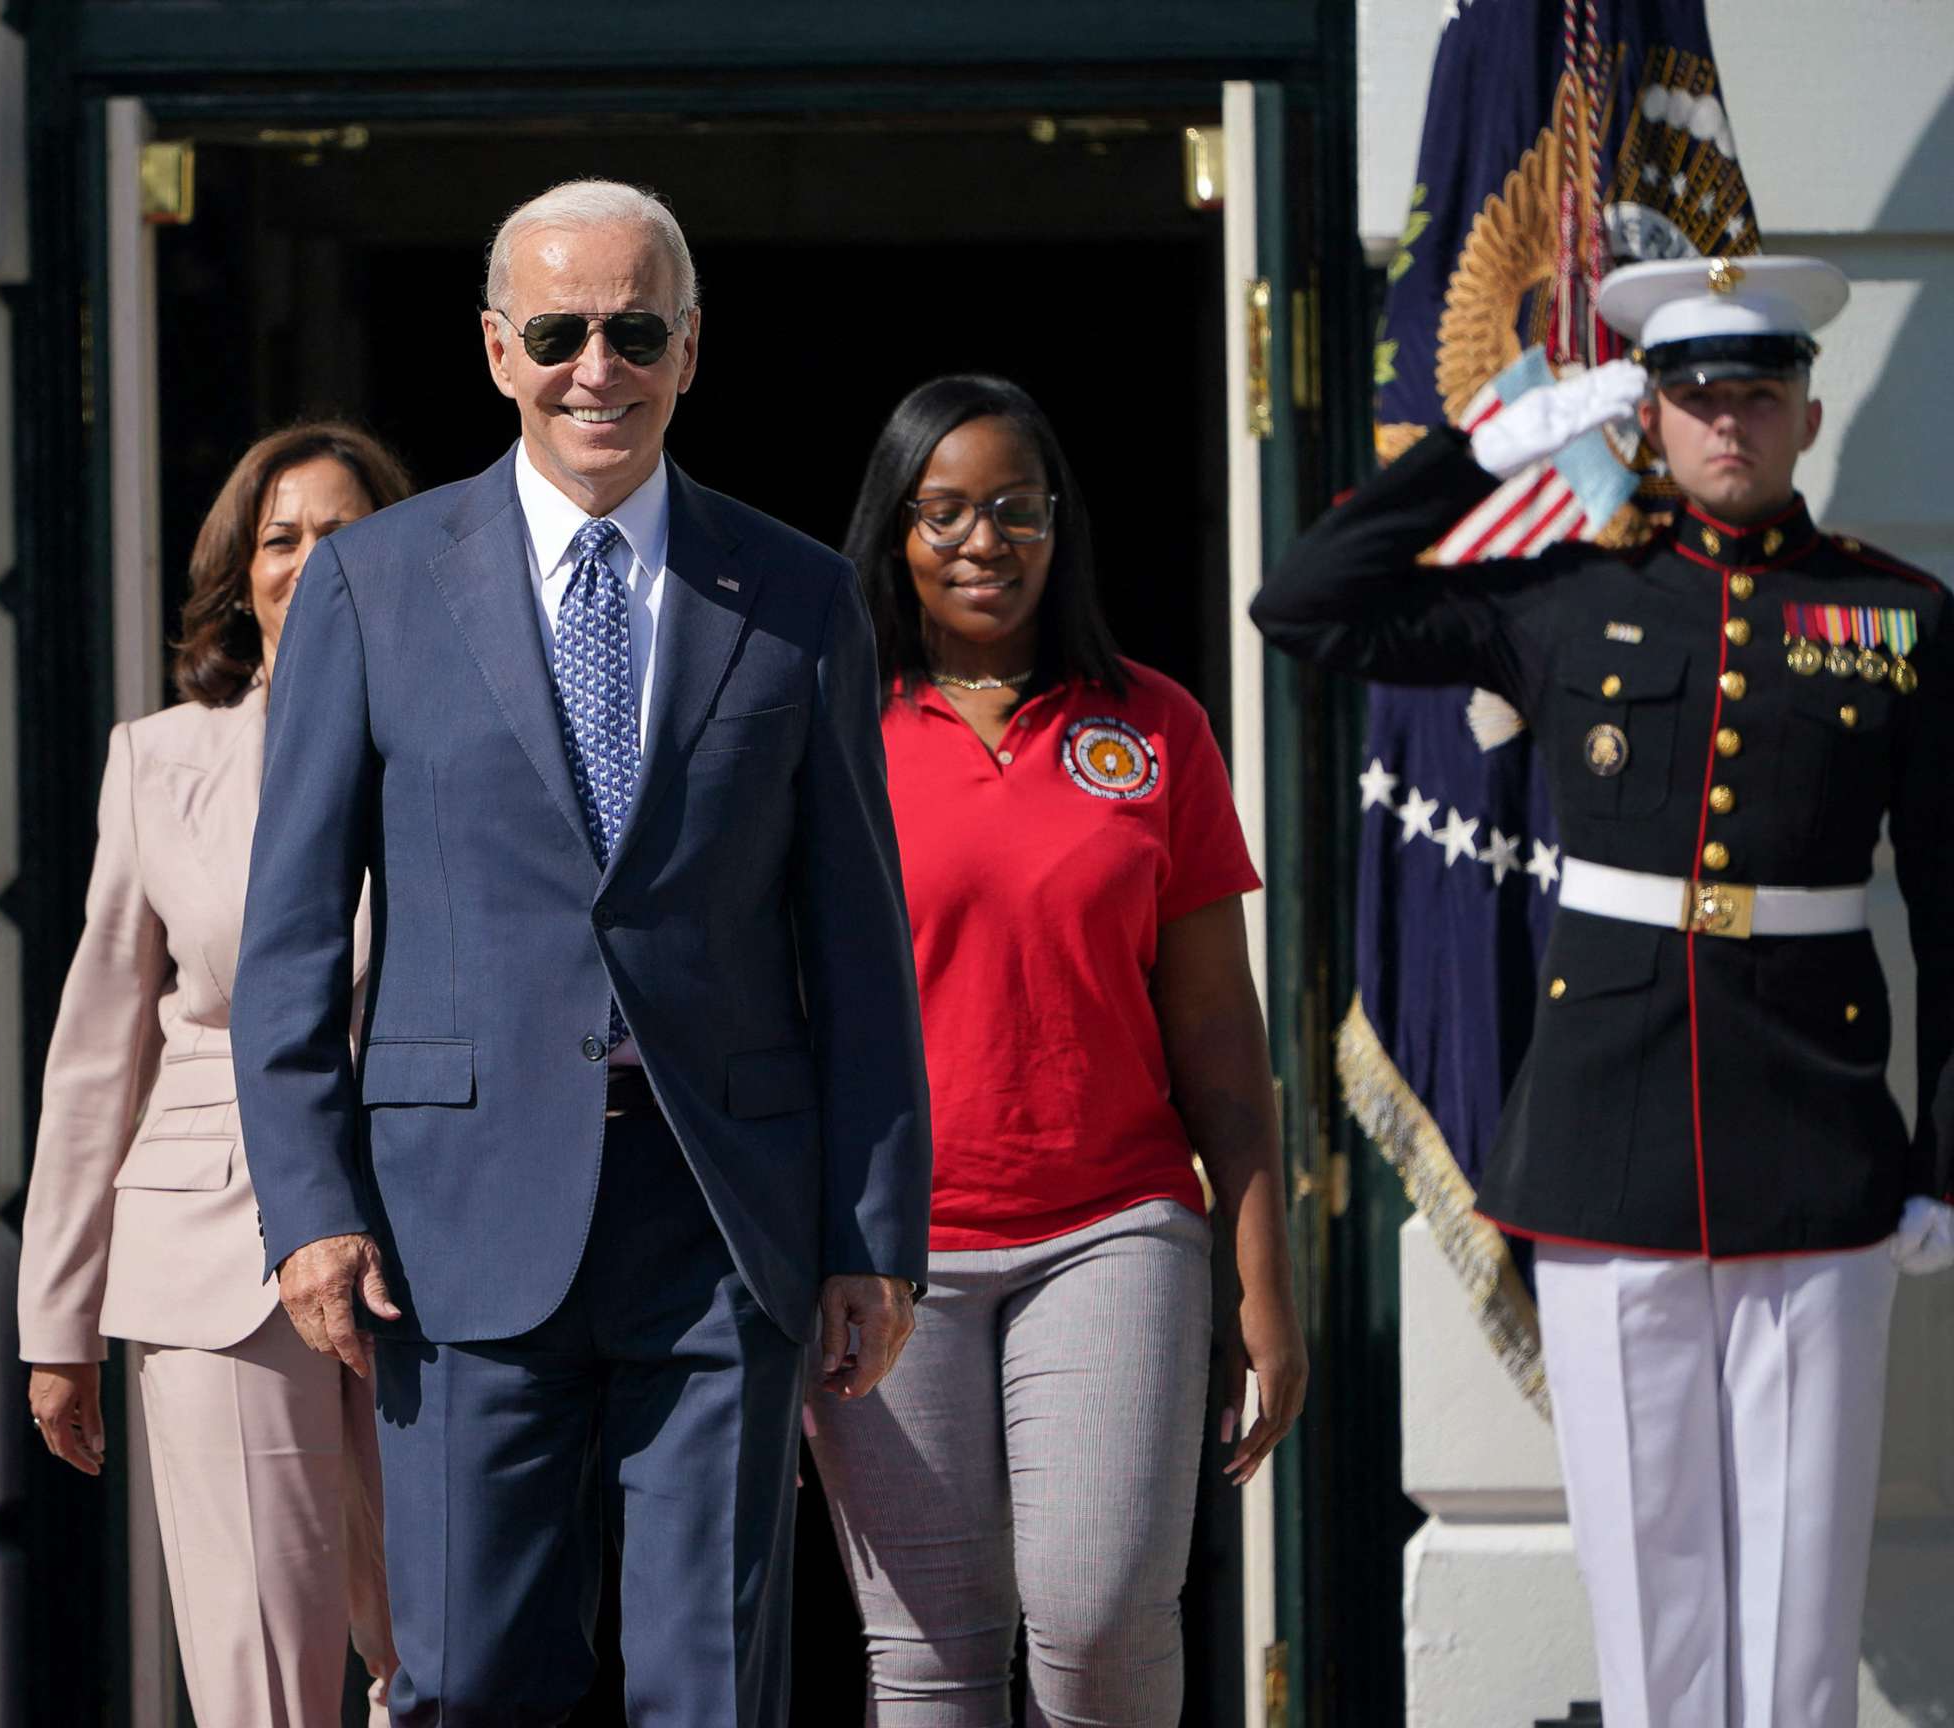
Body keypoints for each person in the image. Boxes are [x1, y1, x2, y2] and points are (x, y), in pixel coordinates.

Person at [229, 178, 933, 1727]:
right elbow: (286, 938)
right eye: (558, 331)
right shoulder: (373, 582)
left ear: (692, 349)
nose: (594, 369)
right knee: (474, 1682)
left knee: (707, 1691)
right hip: (452, 1224)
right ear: (495, 349)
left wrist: (873, 1228)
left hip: (719, 1219)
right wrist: (309, 1206)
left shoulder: (802, 597)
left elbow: (858, 944)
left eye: (634, 331)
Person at [1252, 255, 1954, 1728]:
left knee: (1803, 1588)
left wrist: (1944, 1150)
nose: (1730, 427)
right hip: (1605, 1132)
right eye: (1696, 400)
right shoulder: (1571, 596)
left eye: (1757, 397)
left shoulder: (1896, 618)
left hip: (1819, 1137)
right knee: (1650, 1581)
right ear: (1653, 420)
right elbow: (1307, 605)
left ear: (1806, 417)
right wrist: (1484, 446)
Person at [811, 375, 1305, 1726]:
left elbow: (1216, 1033)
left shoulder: (1153, 726)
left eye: (1015, 508)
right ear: (895, 532)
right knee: (934, 1662)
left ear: (1059, 523)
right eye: (947, 511)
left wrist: (1264, 1277)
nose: (984, 540)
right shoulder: (823, 722)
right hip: (881, 1251)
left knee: (1095, 1620)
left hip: (1114, 1227)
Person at [16, 420, 413, 1726]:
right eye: (280, 540)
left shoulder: (474, 743)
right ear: (241, 577)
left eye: (343, 534)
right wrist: (56, 1321)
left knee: (457, 1655)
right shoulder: (160, 760)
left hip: (444, 1240)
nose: (309, 562)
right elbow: (97, 1052)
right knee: (260, 1677)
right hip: (214, 1250)